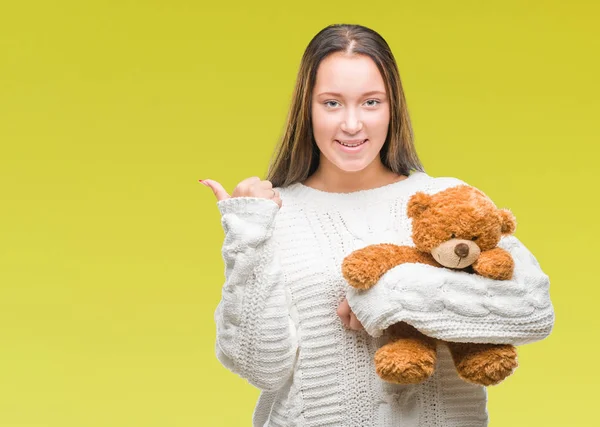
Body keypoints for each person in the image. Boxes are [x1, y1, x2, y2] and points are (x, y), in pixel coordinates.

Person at [200, 24, 554, 427]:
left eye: (371, 102)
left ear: (392, 108)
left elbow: (532, 308)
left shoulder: (450, 201)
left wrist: (386, 298)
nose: (352, 125)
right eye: (332, 103)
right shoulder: (274, 215)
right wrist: (248, 234)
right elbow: (260, 367)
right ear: (307, 109)